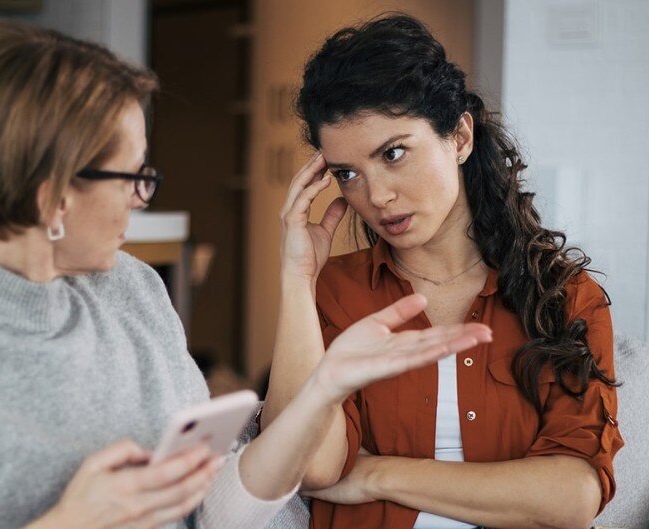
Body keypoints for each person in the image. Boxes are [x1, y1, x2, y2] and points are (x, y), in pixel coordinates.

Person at [0, 20, 491, 529]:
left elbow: (219, 507)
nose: (144, 196)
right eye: (132, 174)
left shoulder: (132, 291)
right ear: (53, 193)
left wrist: (325, 387)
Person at [260, 14, 625, 529]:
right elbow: (310, 466)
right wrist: (298, 280)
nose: (377, 196)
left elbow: (571, 497)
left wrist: (375, 476)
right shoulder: (334, 291)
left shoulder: (566, 298)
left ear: (459, 136)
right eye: (348, 174)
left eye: (394, 153)